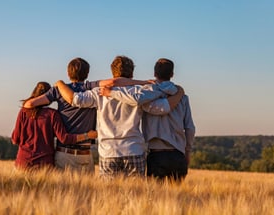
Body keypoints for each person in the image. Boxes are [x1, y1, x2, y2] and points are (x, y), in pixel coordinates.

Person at [55, 55, 184, 179]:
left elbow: (75, 100)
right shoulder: (140, 92)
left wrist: (60, 84)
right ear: (132, 74)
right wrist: (178, 93)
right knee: (136, 196)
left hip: (108, 151)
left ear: (113, 73)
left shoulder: (99, 92)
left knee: (109, 196)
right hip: (134, 149)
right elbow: (161, 108)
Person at [23, 57, 149, 173]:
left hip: (64, 153)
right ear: (87, 74)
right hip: (85, 154)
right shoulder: (89, 87)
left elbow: (29, 104)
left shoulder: (58, 90)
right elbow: (114, 81)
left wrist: (57, 87)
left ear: (68, 73)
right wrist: (143, 82)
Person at [103, 58, 196, 183]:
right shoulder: (182, 98)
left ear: (154, 73)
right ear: (172, 74)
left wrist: (111, 93)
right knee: (177, 199)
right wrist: (187, 151)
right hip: (178, 154)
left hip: (156, 155)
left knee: (156, 198)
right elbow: (190, 128)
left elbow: (141, 101)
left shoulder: (146, 96)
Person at [11, 81, 97, 171]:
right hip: (44, 165)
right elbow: (64, 138)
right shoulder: (52, 114)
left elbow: (15, 139)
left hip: (23, 162)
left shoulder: (23, 112)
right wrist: (87, 135)